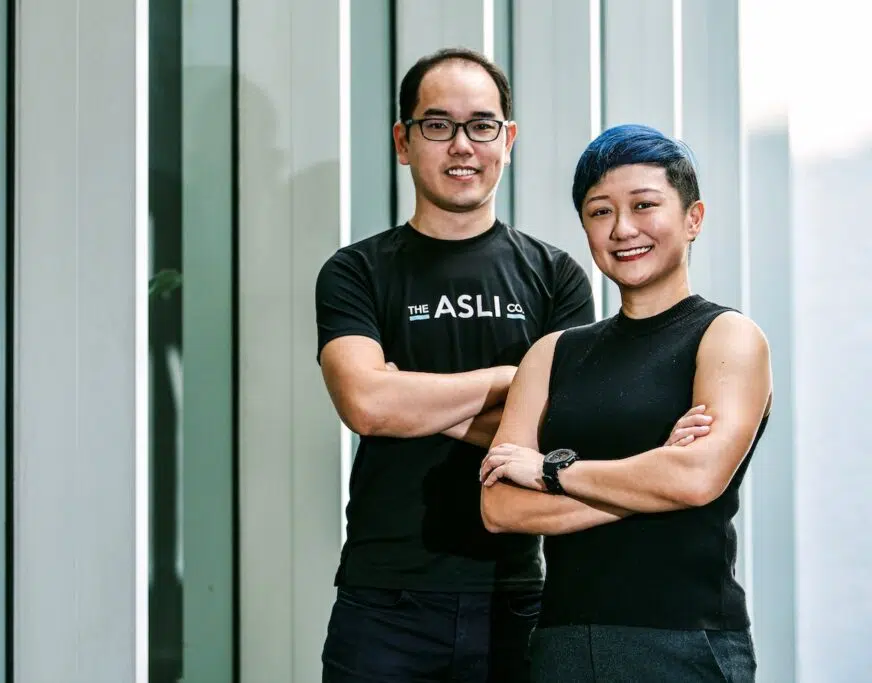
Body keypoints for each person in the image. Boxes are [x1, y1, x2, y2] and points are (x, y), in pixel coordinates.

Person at [314, 50, 706, 682]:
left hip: (517, 592)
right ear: (403, 142)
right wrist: (511, 384)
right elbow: (365, 404)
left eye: (482, 125)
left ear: (508, 139)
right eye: (437, 125)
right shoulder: (357, 271)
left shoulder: (556, 276)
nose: (462, 145)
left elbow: (560, 433)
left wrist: (409, 400)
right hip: (384, 598)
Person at [479, 124, 772, 682]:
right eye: (600, 212)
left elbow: (696, 478)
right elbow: (501, 509)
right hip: (561, 644)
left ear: (693, 219)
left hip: (684, 643)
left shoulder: (727, 337)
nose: (623, 229)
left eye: (645, 205)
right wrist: (653, 475)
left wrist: (549, 471)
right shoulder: (553, 353)